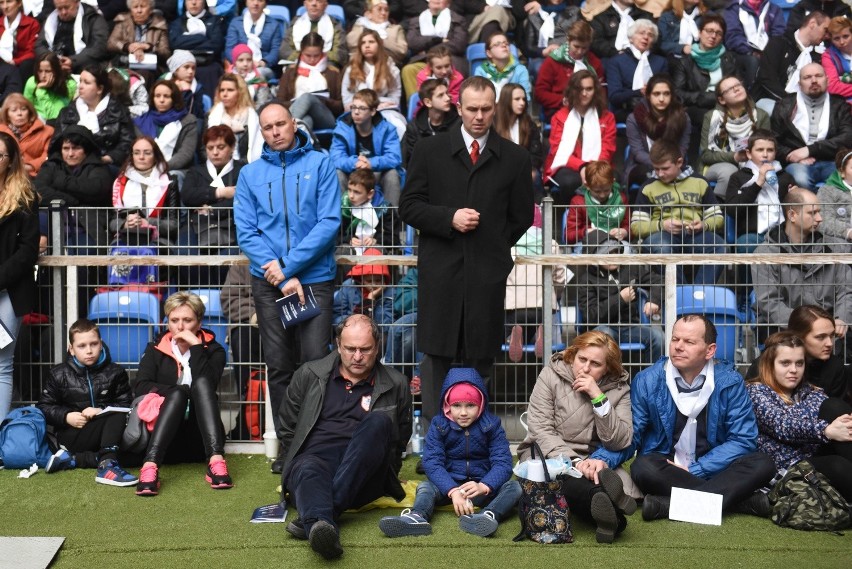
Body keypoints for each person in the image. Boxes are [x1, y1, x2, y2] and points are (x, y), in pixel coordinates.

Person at [399, 76, 534, 422]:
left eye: (486, 109)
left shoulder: (515, 158)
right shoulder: (429, 150)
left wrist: (490, 247)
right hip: (440, 272)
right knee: (435, 359)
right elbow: (409, 206)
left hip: (486, 273)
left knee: (481, 358)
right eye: (471, 109)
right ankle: (434, 446)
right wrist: (449, 219)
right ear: (458, 108)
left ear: (495, 109)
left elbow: (520, 218)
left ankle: (478, 442)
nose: (478, 116)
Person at [233, 101, 340, 457]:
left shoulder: (321, 164)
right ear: (260, 131)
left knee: (315, 361)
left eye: (281, 124)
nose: (276, 132)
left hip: (315, 279)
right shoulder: (249, 175)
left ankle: (318, 442)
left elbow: (329, 223)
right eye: (268, 127)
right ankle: (290, 446)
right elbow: (247, 233)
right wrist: (280, 276)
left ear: (294, 124)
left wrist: (289, 266)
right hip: (269, 282)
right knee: (278, 364)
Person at [593, 314, 777, 520]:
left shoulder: (730, 382)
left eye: (689, 341)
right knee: (642, 467)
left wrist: (697, 469)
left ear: (710, 350)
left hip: (715, 469)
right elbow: (632, 435)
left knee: (763, 463)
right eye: (675, 339)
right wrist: (602, 459)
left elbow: (743, 440)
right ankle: (741, 502)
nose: (678, 346)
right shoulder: (647, 381)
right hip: (666, 469)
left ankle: (667, 506)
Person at [278, 314, 412, 559]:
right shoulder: (310, 374)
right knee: (308, 466)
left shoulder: (397, 382)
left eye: (365, 349)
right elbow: (287, 427)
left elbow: (400, 435)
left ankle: (321, 516)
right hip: (314, 464)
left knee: (380, 421)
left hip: (364, 472)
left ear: (377, 347)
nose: (357, 356)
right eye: (350, 349)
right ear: (338, 345)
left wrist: (390, 471)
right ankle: (322, 527)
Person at [516, 332, 638, 543]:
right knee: (563, 478)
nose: (586, 368)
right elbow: (540, 430)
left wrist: (598, 397)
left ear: (608, 368)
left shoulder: (620, 388)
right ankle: (612, 513)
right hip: (548, 455)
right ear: (573, 355)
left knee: (591, 479)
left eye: (595, 364)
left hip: (593, 460)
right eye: (582, 359)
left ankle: (604, 502)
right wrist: (574, 462)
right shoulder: (550, 375)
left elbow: (620, 440)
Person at [379, 368, 521, 538]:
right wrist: (453, 490)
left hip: (481, 488)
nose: (463, 412)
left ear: (481, 404)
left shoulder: (492, 425)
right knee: (425, 487)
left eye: (470, 405)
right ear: (447, 404)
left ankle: (488, 516)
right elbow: (432, 462)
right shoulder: (439, 425)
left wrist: (484, 486)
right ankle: (417, 517)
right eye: (456, 405)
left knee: (515, 487)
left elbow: (503, 462)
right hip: (447, 487)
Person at [132, 291, 233, 496]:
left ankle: (216, 461)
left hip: (200, 441)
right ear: (167, 321)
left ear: (199, 322)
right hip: (164, 438)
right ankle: (150, 466)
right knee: (178, 394)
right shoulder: (155, 349)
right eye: (174, 320)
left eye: (187, 320)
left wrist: (197, 347)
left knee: (202, 382)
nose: (180, 327)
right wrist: (180, 392)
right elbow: (141, 386)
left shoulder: (215, 350)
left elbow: (209, 383)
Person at [746, 331, 852, 501]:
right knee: (837, 465)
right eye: (785, 363)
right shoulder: (756, 392)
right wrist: (825, 431)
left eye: (799, 363)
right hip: (786, 468)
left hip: (814, 456)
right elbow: (782, 425)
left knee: (834, 406)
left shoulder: (810, 392)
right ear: (769, 364)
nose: (794, 370)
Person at [37, 319, 137, 486]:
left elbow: (127, 404)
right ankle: (107, 465)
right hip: (72, 435)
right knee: (117, 419)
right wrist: (66, 416)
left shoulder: (115, 372)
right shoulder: (58, 374)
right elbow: (43, 407)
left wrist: (100, 410)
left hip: (107, 435)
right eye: (82, 346)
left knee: (137, 453)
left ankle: (77, 460)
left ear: (101, 344)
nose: (89, 351)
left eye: (94, 344)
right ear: (72, 349)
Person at [752, 187, 852, 340]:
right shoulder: (764, 253)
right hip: (786, 331)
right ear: (792, 215)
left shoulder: (835, 248)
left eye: (819, 212)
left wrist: (841, 319)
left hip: (829, 334)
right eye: (812, 213)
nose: (820, 218)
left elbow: (846, 292)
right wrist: (808, 327)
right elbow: (769, 303)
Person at [631, 140, 726, 285]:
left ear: (679, 162)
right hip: (661, 235)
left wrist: (703, 225)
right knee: (662, 248)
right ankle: (680, 296)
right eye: (656, 169)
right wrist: (662, 225)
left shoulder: (700, 182)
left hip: (695, 235)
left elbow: (717, 218)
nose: (660, 174)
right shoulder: (648, 186)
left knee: (720, 246)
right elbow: (636, 226)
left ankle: (699, 294)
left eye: (665, 168)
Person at [578, 230, 665, 365]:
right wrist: (620, 299)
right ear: (596, 258)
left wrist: (653, 300)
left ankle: (653, 380)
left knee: (658, 337)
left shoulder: (630, 269)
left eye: (616, 251)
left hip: (629, 326)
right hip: (602, 328)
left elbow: (658, 280)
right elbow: (590, 316)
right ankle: (611, 383)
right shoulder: (587, 279)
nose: (614, 256)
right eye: (608, 253)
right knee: (605, 338)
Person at [0, 130, 39, 419]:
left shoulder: (25, 197)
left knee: (2, 364)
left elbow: (27, 252)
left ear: (10, 160)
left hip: (9, 294)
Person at [745, 305, 852, 402]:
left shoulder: (835, 367)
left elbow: (837, 411)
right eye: (820, 337)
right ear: (799, 337)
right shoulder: (764, 364)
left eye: (832, 336)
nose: (829, 343)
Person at [179, 125, 244, 282]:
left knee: (228, 261)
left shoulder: (243, 169)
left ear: (232, 147)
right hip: (195, 226)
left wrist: (212, 208)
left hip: (232, 226)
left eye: (221, 147)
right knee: (187, 258)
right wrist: (221, 192)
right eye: (210, 148)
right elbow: (188, 196)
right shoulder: (195, 171)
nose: (215, 152)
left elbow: (242, 199)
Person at [771, 64, 852, 190]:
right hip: (797, 163)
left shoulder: (840, 105)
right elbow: (773, 141)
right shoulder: (783, 106)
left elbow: (846, 138)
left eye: (818, 76)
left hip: (831, 160)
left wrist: (809, 150)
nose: (814, 80)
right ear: (799, 83)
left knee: (843, 179)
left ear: (827, 80)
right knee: (800, 179)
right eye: (807, 77)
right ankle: (812, 209)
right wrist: (790, 154)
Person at [34, 125, 113, 253]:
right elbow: (38, 190)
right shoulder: (51, 165)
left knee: (81, 256)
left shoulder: (98, 167)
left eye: (76, 148)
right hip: (52, 227)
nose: (70, 153)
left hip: (85, 228)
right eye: (66, 148)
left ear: (86, 150)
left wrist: (60, 181)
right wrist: (71, 200)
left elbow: (95, 189)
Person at [544, 70, 616, 208]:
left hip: (599, 164)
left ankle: (603, 221)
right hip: (566, 166)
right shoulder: (559, 117)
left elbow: (608, 148)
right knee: (570, 182)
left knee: (610, 180)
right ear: (572, 90)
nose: (584, 93)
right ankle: (576, 220)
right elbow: (558, 151)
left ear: (595, 90)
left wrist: (593, 168)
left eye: (589, 89)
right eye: (580, 89)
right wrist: (582, 166)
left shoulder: (607, 117)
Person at [505, 204, 566, 361]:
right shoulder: (550, 244)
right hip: (543, 307)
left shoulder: (508, 244)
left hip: (515, 307)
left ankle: (514, 333)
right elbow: (560, 277)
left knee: (511, 324)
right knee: (542, 321)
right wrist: (556, 293)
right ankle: (541, 332)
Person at [700, 75, 770, 200]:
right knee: (730, 171)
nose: (736, 89)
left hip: (754, 164)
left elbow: (768, 147)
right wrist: (734, 157)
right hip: (716, 165)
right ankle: (718, 213)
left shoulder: (761, 115)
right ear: (722, 100)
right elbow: (706, 155)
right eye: (730, 89)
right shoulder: (712, 117)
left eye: (738, 85)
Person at [725, 130, 795, 253]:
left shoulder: (785, 177)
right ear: (749, 153)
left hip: (782, 232)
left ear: (775, 153)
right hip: (752, 234)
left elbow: (795, 209)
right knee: (746, 245)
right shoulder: (738, 177)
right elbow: (732, 210)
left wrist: (795, 195)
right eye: (760, 150)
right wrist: (758, 183)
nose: (765, 154)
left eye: (770, 150)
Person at [53, 64, 135, 167]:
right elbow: (55, 144)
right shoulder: (67, 112)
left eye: (86, 83)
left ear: (100, 89)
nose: (80, 86)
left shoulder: (119, 112)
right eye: (80, 81)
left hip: (105, 165)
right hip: (69, 165)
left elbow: (127, 143)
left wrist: (109, 158)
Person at [330, 88, 402, 205]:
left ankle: (392, 220)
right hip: (353, 171)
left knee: (392, 174)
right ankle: (343, 220)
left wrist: (370, 163)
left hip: (376, 172)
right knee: (338, 174)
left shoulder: (387, 129)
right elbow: (335, 158)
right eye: (353, 107)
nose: (356, 112)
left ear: (373, 111)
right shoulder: (342, 128)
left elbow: (394, 157)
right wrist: (356, 163)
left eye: (362, 108)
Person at [669, 14, 737, 133]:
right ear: (700, 33)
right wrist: (701, 97)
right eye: (709, 31)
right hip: (696, 106)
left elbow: (738, 85)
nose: (713, 36)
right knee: (714, 118)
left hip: (726, 104)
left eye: (718, 33)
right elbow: (677, 93)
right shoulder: (686, 62)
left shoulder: (729, 59)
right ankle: (716, 151)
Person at [109, 135, 180, 248]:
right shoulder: (120, 181)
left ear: (155, 156)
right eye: (136, 153)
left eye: (147, 153)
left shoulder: (169, 182)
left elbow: (173, 225)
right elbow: (112, 222)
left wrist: (147, 223)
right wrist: (124, 224)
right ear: (132, 156)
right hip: (126, 236)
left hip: (159, 239)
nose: (141, 157)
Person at [753, 11, 830, 115]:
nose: (827, 36)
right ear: (812, 24)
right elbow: (766, 78)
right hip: (769, 100)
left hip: (802, 106)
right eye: (825, 30)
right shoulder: (778, 43)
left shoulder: (816, 57)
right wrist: (789, 101)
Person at [625, 74, 691, 188]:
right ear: (648, 96)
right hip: (643, 164)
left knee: (694, 180)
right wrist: (660, 165)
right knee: (650, 178)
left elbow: (682, 147)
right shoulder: (634, 118)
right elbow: (638, 152)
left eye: (666, 94)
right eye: (656, 94)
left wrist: (670, 165)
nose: (661, 99)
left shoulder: (682, 117)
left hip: (674, 164)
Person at [533, 19, 606, 121]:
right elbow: (540, 93)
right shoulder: (552, 61)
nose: (580, 51)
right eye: (576, 46)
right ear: (568, 40)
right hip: (560, 108)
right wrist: (563, 100)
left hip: (589, 109)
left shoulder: (594, 63)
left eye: (584, 48)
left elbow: (601, 92)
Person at [341, 29, 406, 140]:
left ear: (379, 45)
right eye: (363, 43)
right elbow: (347, 97)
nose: (367, 46)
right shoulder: (351, 69)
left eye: (371, 42)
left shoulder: (391, 69)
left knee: (397, 125)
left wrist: (378, 105)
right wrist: (364, 106)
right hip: (358, 110)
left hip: (384, 110)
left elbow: (395, 96)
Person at [276, 32, 344, 134]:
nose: (312, 59)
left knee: (307, 97)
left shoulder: (333, 72)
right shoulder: (290, 72)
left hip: (325, 117)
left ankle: (283, 130)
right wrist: (297, 103)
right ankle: (308, 146)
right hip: (299, 115)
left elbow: (340, 106)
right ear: (301, 52)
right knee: (305, 121)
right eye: (308, 55)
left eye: (316, 55)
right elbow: (280, 102)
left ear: (322, 52)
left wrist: (323, 100)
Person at [401, 0, 467, 96]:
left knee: (450, 68)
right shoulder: (417, 20)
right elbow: (413, 43)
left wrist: (429, 48)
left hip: (450, 59)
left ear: (448, 2)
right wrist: (437, 40)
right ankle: (417, 105)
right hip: (424, 60)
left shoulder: (458, 19)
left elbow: (458, 44)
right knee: (408, 70)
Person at [606, 19, 668, 120]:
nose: (646, 37)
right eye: (641, 33)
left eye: (650, 35)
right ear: (631, 38)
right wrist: (640, 92)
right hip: (627, 110)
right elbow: (614, 96)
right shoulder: (616, 62)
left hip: (657, 108)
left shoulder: (661, 62)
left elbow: (667, 90)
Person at [133, 79, 197, 173]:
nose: (161, 100)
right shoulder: (141, 121)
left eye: (166, 96)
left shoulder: (188, 121)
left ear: (174, 99)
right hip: (144, 168)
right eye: (157, 96)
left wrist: (162, 167)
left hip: (175, 169)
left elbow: (185, 154)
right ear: (152, 98)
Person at [723, 0, 786, 91]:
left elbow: (778, 34)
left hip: (769, 53)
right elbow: (733, 36)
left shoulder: (774, 9)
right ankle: (752, 95)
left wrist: (769, 53)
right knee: (753, 61)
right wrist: (750, 52)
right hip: (742, 54)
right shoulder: (734, 8)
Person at [168, 0, 226, 100]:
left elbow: (216, 45)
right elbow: (175, 44)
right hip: (182, 65)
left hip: (207, 63)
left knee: (212, 70)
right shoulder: (177, 23)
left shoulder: (215, 21)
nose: (194, 2)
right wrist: (201, 37)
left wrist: (186, 40)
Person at [493, 83, 543, 198]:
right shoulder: (493, 123)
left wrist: (530, 168)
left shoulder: (529, 124)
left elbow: (536, 154)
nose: (522, 103)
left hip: (523, 170)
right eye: (517, 99)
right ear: (506, 100)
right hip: (499, 171)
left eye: (523, 99)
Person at [564, 160, 630, 245]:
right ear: (587, 185)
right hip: (587, 242)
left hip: (616, 241)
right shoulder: (578, 202)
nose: (602, 195)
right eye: (597, 191)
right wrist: (586, 232)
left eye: (606, 190)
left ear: (613, 182)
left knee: (626, 248)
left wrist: (624, 232)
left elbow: (630, 228)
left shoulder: (621, 199)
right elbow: (568, 235)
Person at [34, 0, 109, 73]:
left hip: (82, 66)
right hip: (54, 66)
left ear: (77, 2)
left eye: (67, 7)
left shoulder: (92, 18)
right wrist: (52, 60)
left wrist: (73, 61)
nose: (63, 12)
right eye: (59, 9)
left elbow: (99, 47)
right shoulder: (50, 20)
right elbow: (39, 45)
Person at [338, 168, 401, 254]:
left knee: (374, 251)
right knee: (343, 250)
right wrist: (348, 239)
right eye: (349, 190)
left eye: (357, 192)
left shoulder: (385, 209)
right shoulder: (344, 206)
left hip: (375, 249)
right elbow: (335, 234)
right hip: (351, 249)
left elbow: (394, 239)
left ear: (370, 194)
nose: (351, 196)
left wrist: (376, 240)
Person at [402, 77, 459, 167]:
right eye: (441, 95)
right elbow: (413, 160)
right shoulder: (414, 127)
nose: (447, 98)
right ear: (428, 102)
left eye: (447, 93)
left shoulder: (459, 123)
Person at [106, 0, 170, 81]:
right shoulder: (123, 21)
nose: (139, 10)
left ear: (150, 9)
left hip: (150, 68)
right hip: (124, 63)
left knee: (144, 74)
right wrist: (128, 46)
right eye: (135, 7)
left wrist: (148, 47)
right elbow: (111, 43)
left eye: (143, 6)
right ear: (130, 10)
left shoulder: (159, 23)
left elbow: (165, 52)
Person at [206, 73, 261, 163]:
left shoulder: (252, 118)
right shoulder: (211, 116)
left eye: (230, 90)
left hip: (246, 166)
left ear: (240, 92)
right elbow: (203, 149)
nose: (225, 94)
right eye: (222, 90)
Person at [520, 0, 582, 77]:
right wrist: (544, 51)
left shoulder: (575, 12)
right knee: (540, 67)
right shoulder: (534, 15)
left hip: (569, 54)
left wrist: (563, 49)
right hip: (543, 57)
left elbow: (580, 38)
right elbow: (529, 47)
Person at [280, 0, 348, 70]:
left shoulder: (335, 25)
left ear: (326, 5)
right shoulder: (295, 23)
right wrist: (305, 57)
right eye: (310, 0)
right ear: (305, 4)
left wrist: (319, 57)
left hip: (327, 65)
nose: (314, 4)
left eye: (319, 1)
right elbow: (284, 51)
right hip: (297, 63)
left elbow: (341, 55)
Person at [225, 0, 285, 79]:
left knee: (256, 74)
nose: (256, 3)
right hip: (239, 65)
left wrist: (262, 63)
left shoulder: (274, 25)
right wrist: (240, 63)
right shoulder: (236, 23)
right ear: (246, 2)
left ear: (265, 4)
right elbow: (229, 48)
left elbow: (276, 51)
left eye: (260, 0)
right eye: (252, 0)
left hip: (263, 67)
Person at [0, 93, 53, 177]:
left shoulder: (48, 131)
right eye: (14, 110)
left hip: (35, 176)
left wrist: (28, 167)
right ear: (7, 115)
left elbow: (48, 156)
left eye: (23, 109)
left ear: (30, 112)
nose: (19, 113)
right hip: (5, 175)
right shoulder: (1, 131)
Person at [473, 31, 532, 102]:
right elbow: (478, 98)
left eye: (506, 43)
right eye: (497, 44)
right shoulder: (481, 71)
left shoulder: (520, 70)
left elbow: (525, 99)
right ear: (489, 53)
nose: (504, 45)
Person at [346, 0, 407, 66]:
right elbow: (351, 43)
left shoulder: (396, 29)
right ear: (369, 14)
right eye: (379, 9)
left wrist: (377, 41)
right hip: (360, 64)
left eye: (386, 10)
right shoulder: (360, 25)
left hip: (387, 65)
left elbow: (401, 51)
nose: (383, 13)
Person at [588, 0, 655, 61]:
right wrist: (615, 53)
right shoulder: (601, 18)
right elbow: (596, 43)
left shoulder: (646, 17)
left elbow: (655, 41)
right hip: (610, 60)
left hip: (642, 60)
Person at [23, 52, 76, 124]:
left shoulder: (69, 85)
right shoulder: (32, 82)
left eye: (48, 71)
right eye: (40, 71)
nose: (43, 75)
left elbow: (54, 116)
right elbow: (26, 109)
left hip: (56, 124)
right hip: (35, 121)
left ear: (56, 70)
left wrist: (41, 90)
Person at [817, 147, 852, 242]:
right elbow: (822, 220)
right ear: (842, 172)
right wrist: (848, 232)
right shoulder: (827, 191)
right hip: (839, 240)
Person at [0, 0, 39, 83]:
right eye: (1, 2)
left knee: (27, 64)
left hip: (21, 66)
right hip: (2, 65)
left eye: (9, 1)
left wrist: (15, 61)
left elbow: (32, 52)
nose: (5, 6)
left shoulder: (32, 24)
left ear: (19, 3)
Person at [165, 50, 208, 121]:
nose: (191, 71)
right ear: (176, 70)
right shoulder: (163, 84)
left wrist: (186, 92)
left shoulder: (197, 88)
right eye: (186, 67)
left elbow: (197, 115)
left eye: (193, 68)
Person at [823, 16, 852, 103]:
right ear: (831, 39)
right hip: (844, 105)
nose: (842, 42)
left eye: (845, 36)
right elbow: (833, 87)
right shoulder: (827, 56)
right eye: (837, 38)